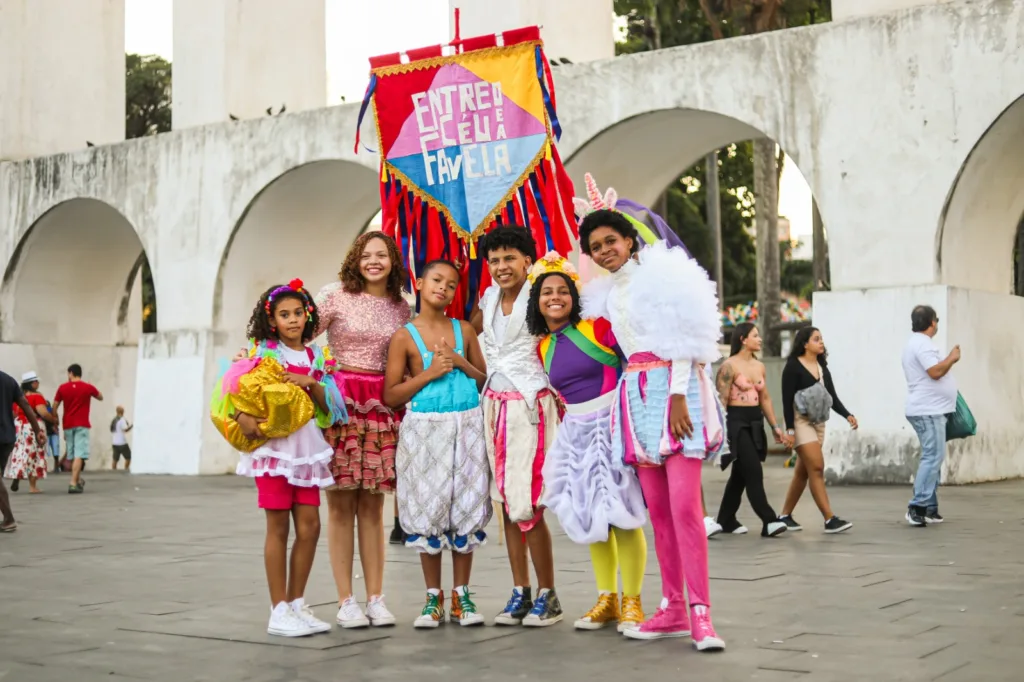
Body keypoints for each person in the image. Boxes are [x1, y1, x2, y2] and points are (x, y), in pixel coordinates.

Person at [578, 181, 726, 651]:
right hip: (635, 397)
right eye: (596, 247)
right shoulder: (605, 295)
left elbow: (682, 335)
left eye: (611, 242)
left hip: (674, 392)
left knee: (685, 507)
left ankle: (702, 614)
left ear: (629, 239)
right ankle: (673, 606)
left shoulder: (662, 275)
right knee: (658, 512)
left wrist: (679, 397)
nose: (604, 252)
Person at [215, 280, 348, 637]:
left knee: (311, 527)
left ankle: (295, 603)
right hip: (274, 451)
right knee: (278, 527)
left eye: (298, 313)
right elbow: (234, 391)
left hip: (306, 450)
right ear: (271, 320)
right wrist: (244, 419)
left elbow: (331, 409)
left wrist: (310, 381)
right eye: (284, 314)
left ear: (308, 315)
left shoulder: (317, 357)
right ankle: (277, 610)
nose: (293, 320)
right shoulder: (261, 354)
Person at [526, 252, 649, 633]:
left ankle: (633, 601)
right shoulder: (542, 346)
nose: (555, 298)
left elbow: (636, 357)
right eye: (547, 292)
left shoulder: (598, 327)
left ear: (574, 297)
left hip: (613, 425)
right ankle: (606, 598)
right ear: (537, 300)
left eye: (563, 291)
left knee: (623, 514)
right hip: (577, 434)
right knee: (593, 516)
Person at [384, 260, 491, 628]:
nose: (443, 288)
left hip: (467, 427)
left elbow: (483, 380)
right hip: (425, 430)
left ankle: (462, 595)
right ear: (419, 282)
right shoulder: (404, 336)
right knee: (429, 507)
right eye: (436, 280)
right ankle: (433, 598)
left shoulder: (464, 330)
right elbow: (391, 394)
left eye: (450, 284)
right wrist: (429, 373)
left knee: (465, 503)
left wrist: (460, 361)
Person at [314, 232, 411, 628]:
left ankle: (376, 598)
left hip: (382, 405)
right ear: (355, 258)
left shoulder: (402, 307)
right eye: (366, 254)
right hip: (341, 403)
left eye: (382, 255)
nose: (374, 261)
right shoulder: (335, 296)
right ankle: (345, 601)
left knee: (373, 508)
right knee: (340, 507)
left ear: (393, 262)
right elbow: (298, 335)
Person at [471, 225, 564, 627]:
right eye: (494, 260)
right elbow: (473, 339)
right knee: (506, 504)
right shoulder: (488, 298)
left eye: (510, 258)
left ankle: (549, 593)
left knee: (530, 505)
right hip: (492, 407)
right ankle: (520, 590)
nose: (501, 267)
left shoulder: (542, 295)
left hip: (531, 405)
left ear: (528, 260)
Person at [777, 326, 857, 534]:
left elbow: (832, 397)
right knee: (817, 467)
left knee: (803, 472)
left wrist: (847, 415)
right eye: (816, 339)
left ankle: (784, 516)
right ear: (805, 344)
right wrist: (790, 431)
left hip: (819, 423)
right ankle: (829, 519)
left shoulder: (822, 367)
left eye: (821, 339)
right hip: (800, 422)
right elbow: (786, 401)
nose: (821, 342)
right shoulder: (793, 366)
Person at [713, 324, 789, 538]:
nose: (760, 339)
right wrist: (719, 431)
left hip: (755, 420)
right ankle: (769, 520)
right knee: (753, 470)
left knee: (740, 474)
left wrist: (775, 426)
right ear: (743, 339)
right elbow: (722, 400)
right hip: (735, 422)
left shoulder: (759, 366)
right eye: (755, 335)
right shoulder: (729, 366)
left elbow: (765, 398)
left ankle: (726, 519)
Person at [902, 305, 959, 527]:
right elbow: (935, 372)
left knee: (932, 456)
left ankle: (929, 507)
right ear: (932, 322)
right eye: (937, 320)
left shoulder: (916, 343)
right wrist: (952, 358)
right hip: (928, 410)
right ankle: (916, 507)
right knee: (932, 456)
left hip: (930, 409)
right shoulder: (922, 344)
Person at [0, 370, 45, 532]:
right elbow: (25, 405)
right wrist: (37, 430)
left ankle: (9, 519)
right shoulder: (8, 379)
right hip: (7, 438)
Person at [52, 364, 103, 494]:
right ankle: (73, 483)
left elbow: (55, 406)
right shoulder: (87, 387)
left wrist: (55, 421)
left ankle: (78, 480)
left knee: (73, 455)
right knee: (79, 455)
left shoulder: (62, 388)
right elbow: (100, 397)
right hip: (82, 425)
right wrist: (92, 386)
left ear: (71, 373)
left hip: (68, 425)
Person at [4, 372, 52, 494]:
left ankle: (18, 474)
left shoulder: (18, 397)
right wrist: (54, 420)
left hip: (19, 426)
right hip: (32, 427)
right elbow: (43, 412)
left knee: (20, 452)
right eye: (36, 381)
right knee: (34, 455)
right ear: (32, 383)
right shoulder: (37, 397)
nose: (38, 383)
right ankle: (32, 486)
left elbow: (14, 414)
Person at [110, 406, 133, 471]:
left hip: (114, 442)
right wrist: (132, 426)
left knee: (115, 459)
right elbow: (125, 429)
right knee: (128, 457)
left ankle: (113, 471)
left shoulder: (114, 420)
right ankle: (126, 469)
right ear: (122, 412)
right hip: (122, 443)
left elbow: (111, 430)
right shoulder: (122, 420)